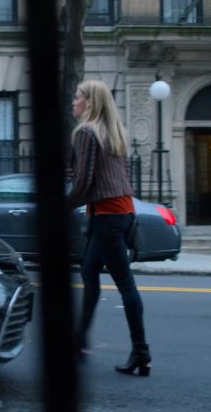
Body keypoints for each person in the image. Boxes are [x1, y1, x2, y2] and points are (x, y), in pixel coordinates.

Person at [66, 79, 151, 376]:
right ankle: (78, 342)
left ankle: (140, 351)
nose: (73, 102)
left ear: (90, 102)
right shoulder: (112, 134)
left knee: (125, 284)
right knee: (89, 271)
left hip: (108, 217)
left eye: (77, 97)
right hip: (120, 213)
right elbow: (103, 175)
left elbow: (86, 181)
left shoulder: (86, 133)